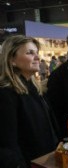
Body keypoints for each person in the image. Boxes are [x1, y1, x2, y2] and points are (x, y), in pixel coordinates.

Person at [0, 35, 58, 167]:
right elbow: (7, 143)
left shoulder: (34, 89)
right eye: (30, 53)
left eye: (36, 52)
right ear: (12, 60)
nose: (37, 57)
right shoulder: (6, 93)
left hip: (45, 160)